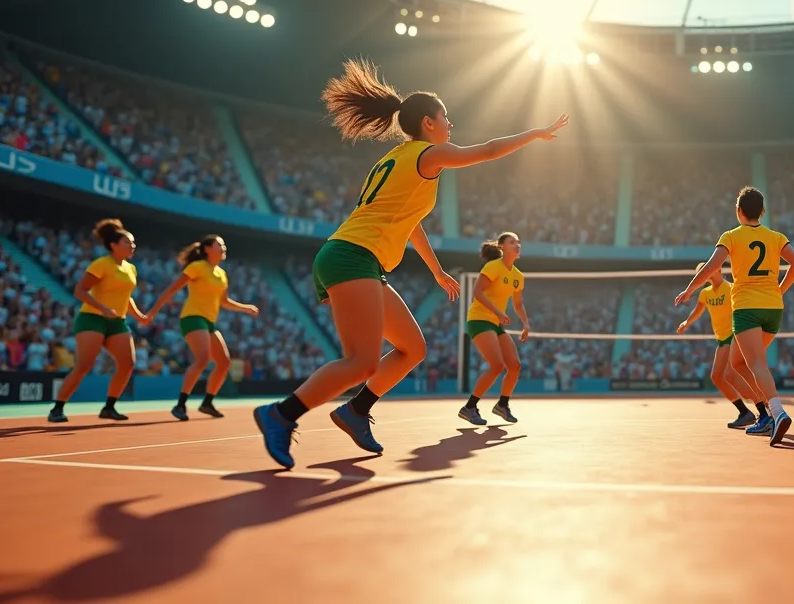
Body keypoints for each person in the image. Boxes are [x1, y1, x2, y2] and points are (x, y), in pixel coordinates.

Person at [253, 58, 569, 469]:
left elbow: (410, 223)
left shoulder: (401, 158)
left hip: (359, 259)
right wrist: (535, 133)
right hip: (351, 256)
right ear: (429, 123)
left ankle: (355, 410)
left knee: (413, 348)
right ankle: (280, 414)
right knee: (361, 361)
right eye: (446, 118)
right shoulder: (428, 155)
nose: (451, 125)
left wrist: (436, 270)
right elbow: (489, 151)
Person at [675, 187, 794, 446]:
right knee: (737, 363)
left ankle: (778, 413)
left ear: (738, 211)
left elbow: (712, 266)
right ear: (763, 211)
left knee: (755, 363)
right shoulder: (776, 236)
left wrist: (690, 289)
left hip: (747, 307)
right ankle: (765, 414)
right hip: (773, 307)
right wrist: (779, 289)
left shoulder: (731, 236)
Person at [146, 235, 260, 420]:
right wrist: (153, 310)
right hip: (192, 318)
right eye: (219, 245)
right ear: (207, 249)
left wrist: (245, 307)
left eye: (224, 244)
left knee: (224, 362)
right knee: (203, 359)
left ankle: (207, 403)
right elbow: (172, 289)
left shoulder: (221, 274)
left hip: (208, 321)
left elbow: (224, 301)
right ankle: (180, 405)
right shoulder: (197, 267)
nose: (223, 247)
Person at [47, 219, 150, 422]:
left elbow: (125, 296)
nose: (133, 246)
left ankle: (109, 408)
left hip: (117, 322)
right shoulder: (101, 264)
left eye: (133, 242)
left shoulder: (131, 269)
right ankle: (57, 409)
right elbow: (80, 290)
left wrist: (138, 315)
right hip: (92, 319)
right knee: (84, 365)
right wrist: (103, 309)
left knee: (128, 363)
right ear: (114, 245)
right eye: (128, 242)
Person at [676, 261, 761, 428]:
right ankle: (747, 412)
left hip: (734, 335)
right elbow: (698, 310)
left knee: (730, 375)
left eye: (706, 270)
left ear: (718, 269)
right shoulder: (705, 294)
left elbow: (743, 308)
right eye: (701, 273)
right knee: (717, 377)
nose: (704, 274)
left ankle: (763, 407)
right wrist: (687, 322)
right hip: (722, 338)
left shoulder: (730, 289)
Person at [459, 232, 529, 426]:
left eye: (518, 242)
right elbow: (477, 292)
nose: (517, 245)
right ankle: (469, 407)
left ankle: (502, 405)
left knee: (514, 366)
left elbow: (518, 304)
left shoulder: (517, 276)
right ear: (502, 247)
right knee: (497, 365)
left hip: (495, 324)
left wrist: (525, 323)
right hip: (479, 320)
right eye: (512, 242)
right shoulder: (493, 267)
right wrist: (498, 312)